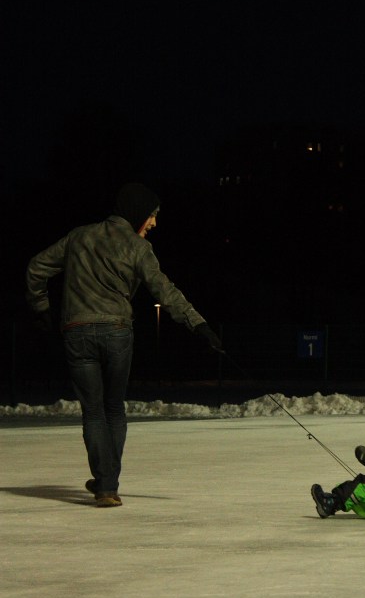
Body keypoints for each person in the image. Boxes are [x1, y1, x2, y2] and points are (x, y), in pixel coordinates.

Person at [25, 183, 224, 506]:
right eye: (153, 215)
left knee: (93, 411)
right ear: (137, 212)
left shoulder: (79, 237)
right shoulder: (137, 248)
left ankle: (104, 482)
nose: (155, 223)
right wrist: (198, 324)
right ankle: (107, 483)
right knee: (114, 408)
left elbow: (36, 268)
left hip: (77, 332)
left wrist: (42, 310)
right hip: (117, 332)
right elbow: (165, 291)